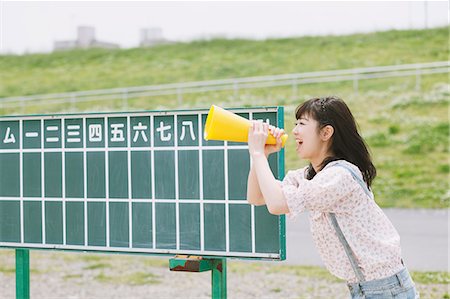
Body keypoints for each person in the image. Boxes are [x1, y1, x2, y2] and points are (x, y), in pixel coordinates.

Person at [246, 96, 419, 299]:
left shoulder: (339, 177)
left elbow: (276, 204)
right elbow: (256, 197)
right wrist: (262, 155)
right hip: (367, 287)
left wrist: (257, 153)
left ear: (326, 132)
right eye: (295, 123)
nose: (294, 131)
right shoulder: (311, 175)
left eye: (302, 123)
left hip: (385, 289)